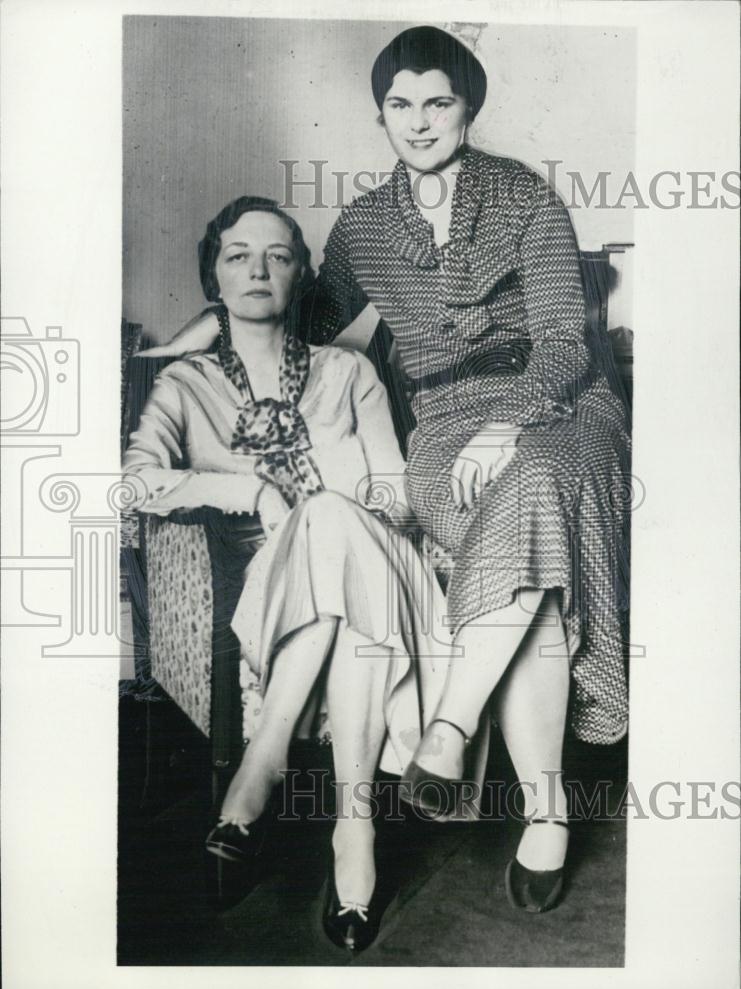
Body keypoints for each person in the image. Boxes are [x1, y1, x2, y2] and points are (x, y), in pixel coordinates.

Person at [141, 25, 631, 915]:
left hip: (560, 407)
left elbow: (566, 343)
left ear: (467, 108)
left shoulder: (524, 197)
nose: (418, 120)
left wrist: (512, 424)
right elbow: (301, 314)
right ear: (380, 115)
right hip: (443, 423)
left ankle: (456, 740)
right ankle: (540, 805)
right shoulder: (364, 224)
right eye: (399, 104)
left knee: (533, 488)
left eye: (436, 101)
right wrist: (221, 318)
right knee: (526, 551)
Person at [123, 195, 464, 952]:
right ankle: (355, 827)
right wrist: (252, 490)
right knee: (331, 553)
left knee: (337, 517)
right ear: (213, 274)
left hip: (377, 563)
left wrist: (346, 506)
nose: (258, 269)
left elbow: (394, 489)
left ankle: (259, 769)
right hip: (266, 596)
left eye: (278, 256)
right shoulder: (185, 385)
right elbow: (135, 481)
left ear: (300, 274)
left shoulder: (347, 371)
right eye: (239, 254)